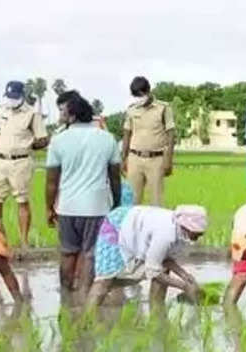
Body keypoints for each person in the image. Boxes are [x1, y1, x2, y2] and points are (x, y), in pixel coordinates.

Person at [45, 96, 122, 294]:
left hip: (68, 207)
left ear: (72, 115)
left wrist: (49, 208)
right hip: (97, 207)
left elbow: (52, 181)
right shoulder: (107, 139)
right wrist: (117, 204)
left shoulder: (58, 141)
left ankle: (65, 295)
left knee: (68, 253)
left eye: (63, 112)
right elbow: (115, 178)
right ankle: (84, 297)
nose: (61, 116)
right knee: (90, 254)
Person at [87, 205, 207, 307]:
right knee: (105, 280)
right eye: (196, 234)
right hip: (117, 226)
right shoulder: (166, 234)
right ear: (186, 227)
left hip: (135, 227)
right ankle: (85, 322)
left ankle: (156, 312)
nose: (197, 238)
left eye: (200, 234)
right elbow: (153, 271)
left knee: (164, 270)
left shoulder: (179, 232)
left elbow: (164, 259)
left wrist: (185, 276)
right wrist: (184, 287)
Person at [0, 81, 49, 253]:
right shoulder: (2, 110)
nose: (11, 101)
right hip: (0, 161)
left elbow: (43, 138)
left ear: (22, 96)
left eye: (14, 97)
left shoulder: (32, 114)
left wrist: (30, 146)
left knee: (22, 200)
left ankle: (24, 242)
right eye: (9, 97)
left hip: (21, 162)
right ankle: (0, 243)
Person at [121, 76, 176, 206]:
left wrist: (168, 160)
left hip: (156, 159)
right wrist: (124, 158)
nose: (139, 98)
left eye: (140, 94)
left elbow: (171, 135)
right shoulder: (132, 109)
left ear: (147, 91)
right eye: (136, 96)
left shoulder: (163, 108)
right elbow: (127, 134)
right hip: (135, 158)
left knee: (156, 201)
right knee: (131, 200)